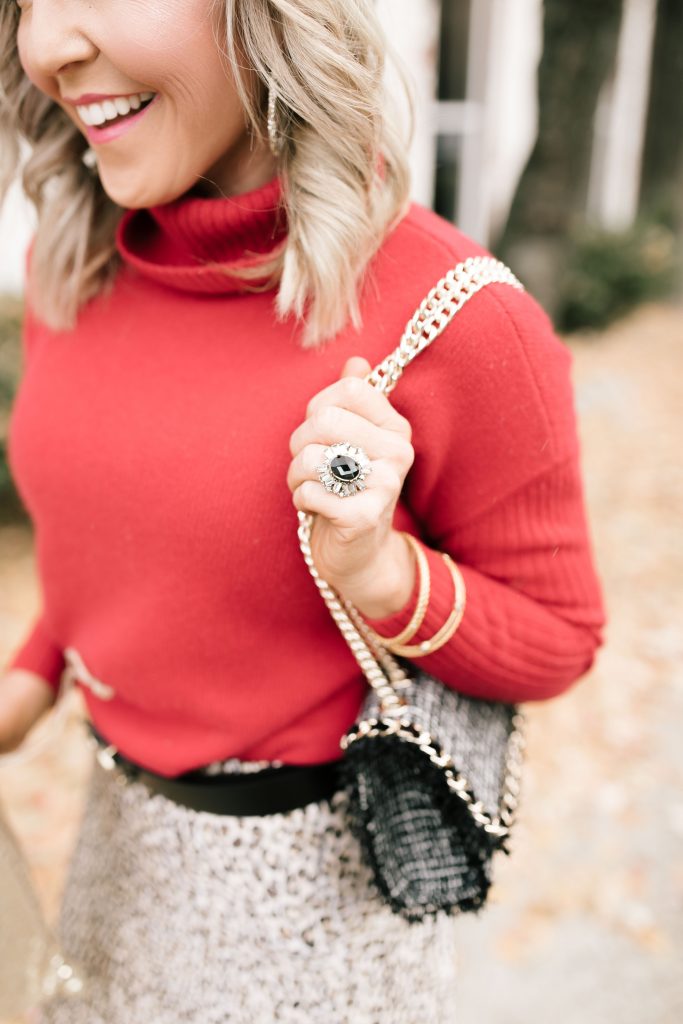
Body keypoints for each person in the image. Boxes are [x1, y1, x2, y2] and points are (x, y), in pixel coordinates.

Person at [0, 1, 607, 1021]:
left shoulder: (457, 316)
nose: (49, 43)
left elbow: (559, 637)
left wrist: (377, 571)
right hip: (111, 853)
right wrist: (32, 674)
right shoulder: (75, 268)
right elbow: (116, 541)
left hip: (309, 912)